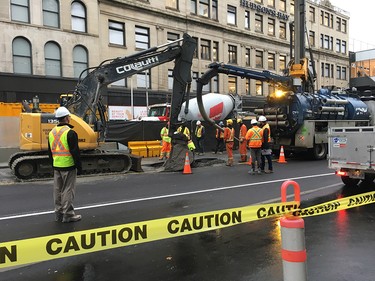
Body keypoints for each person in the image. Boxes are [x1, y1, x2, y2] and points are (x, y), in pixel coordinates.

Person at [48, 107, 82, 223]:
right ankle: (68, 215)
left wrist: (53, 164)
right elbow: (75, 152)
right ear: (67, 118)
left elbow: (50, 152)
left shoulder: (52, 132)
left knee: (57, 190)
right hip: (68, 165)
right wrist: (79, 166)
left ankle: (58, 213)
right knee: (68, 190)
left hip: (57, 165)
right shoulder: (70, 133)